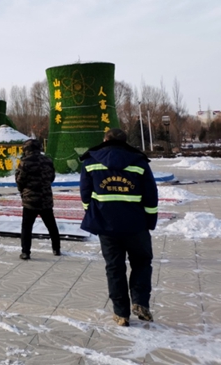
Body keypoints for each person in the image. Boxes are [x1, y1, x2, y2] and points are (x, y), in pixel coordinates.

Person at [79, 127, 158, 327]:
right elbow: (150, 195)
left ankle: (121, 314)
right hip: (136, 225)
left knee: (114, 267)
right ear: (125, 141)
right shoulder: (138, 162)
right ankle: (140, 301)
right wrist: (150, 221)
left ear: (105, 140)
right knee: (141, 262)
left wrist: (94, 213)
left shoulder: (91, 161)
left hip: (106, 226)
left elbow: (85, 194)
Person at [15, 138, 61, 260]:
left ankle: (26, 252)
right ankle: (56, 249)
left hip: (30, 200)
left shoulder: (24, 162)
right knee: (51, 225)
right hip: (45, 198)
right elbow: (51, 177)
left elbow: (20, 180)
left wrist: (22, 191)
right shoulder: (47, 160)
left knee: (27, 227)